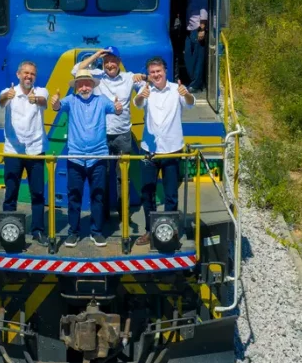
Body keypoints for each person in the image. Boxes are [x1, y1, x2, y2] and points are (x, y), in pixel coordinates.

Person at [72, 46, 145, 225]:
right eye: (106, 61)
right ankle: (102, 215)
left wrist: (142, 78)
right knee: (101, 176)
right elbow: (76, 71)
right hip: (101, 136)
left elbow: (146, 89)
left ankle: (123, 215)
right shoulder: (97, 76)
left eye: (113, 60)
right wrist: (96, 55)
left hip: (122, 135)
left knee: (123, 177)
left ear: (119, 62)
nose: (109, 64)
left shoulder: (129, 78)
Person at [51, 69, 124, 248]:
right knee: (74, 196)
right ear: (76, 86)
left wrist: (118, 108)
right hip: (75, 156)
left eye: (87, 83)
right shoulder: (71, 100)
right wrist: (54, 103)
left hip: (98, 156)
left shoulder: (102, 100)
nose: (84, 87)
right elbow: (57, 106)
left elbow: (116, 111)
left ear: (92, 85)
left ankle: (96, 232)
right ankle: (73, 233)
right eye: (80, 84)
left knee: (98, 196)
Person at [132, 56, 195, 245]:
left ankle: (171, 231)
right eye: (152, 72)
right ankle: (150, 231)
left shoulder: (178, 90)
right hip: (150, 151)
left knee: (170, 194)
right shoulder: (145, 90)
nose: (156, 75)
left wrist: (186, 94)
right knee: (147, 192)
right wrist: (142, 93)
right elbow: (137, 103)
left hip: (172, 149)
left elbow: (190, 103)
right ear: (149, 75)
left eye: (158, 71)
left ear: (165, 71)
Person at [0, 60, 49, 246]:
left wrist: (36, 99)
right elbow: (1, 101)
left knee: (37, 193)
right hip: (13, 151)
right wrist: (7, 97)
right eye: (26, 73)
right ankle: (8, 231)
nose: (29, 76)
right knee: (11, 193)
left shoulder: (41, 92)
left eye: (32, 74)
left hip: (35, 150)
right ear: (18, 75)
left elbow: (44, 101)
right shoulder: (8, 92)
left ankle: (37, 230)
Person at [183, 0, 209, 92]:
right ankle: (193, 80)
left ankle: (196, 84)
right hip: (190, 27)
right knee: (188, 56)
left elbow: (204, 8)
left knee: (198, 58)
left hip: (197, 27)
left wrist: (202, 29)